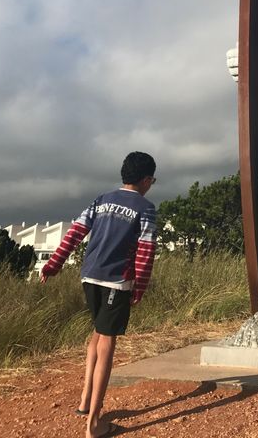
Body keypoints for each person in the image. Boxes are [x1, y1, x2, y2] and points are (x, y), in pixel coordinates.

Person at [41, 151, 158, 438]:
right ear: (146, 179)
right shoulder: (145, 208)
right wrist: (140, 287)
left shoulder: (102, 199)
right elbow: (146, 251)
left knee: (97, 333)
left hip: (89, 275)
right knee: (107, 341)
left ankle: (85, 401)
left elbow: (75, 233)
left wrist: (52, 265)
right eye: (152, 181)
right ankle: (94, 424)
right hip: (116, 281)